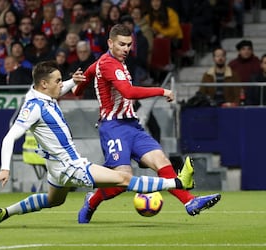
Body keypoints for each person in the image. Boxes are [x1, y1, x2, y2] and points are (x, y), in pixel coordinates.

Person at [0, 60, 195, 229]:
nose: (61, 84)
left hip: (56, 168)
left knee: (52, 200)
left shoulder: (38, 92)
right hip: (70, 166)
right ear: (44, 84)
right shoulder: (34, 107)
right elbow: (9, 137)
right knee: (123, 179)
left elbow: (61, 88)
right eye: (57, 81)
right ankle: (177, 183)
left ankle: (4, 213)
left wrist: (73, 81)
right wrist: (5, 168)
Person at [73, 24, 221, 223]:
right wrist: (161, 91)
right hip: (113, 127)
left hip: (132, 126)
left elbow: (82, 84)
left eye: (129, 45)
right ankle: (92, 201)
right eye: (121, 44)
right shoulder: (108, 64)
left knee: (162, 162)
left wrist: (78, 84)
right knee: (121, 180)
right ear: (110, 43)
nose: (126, 49)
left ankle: (189, 202)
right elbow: (128, 92)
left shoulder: (111, 63)